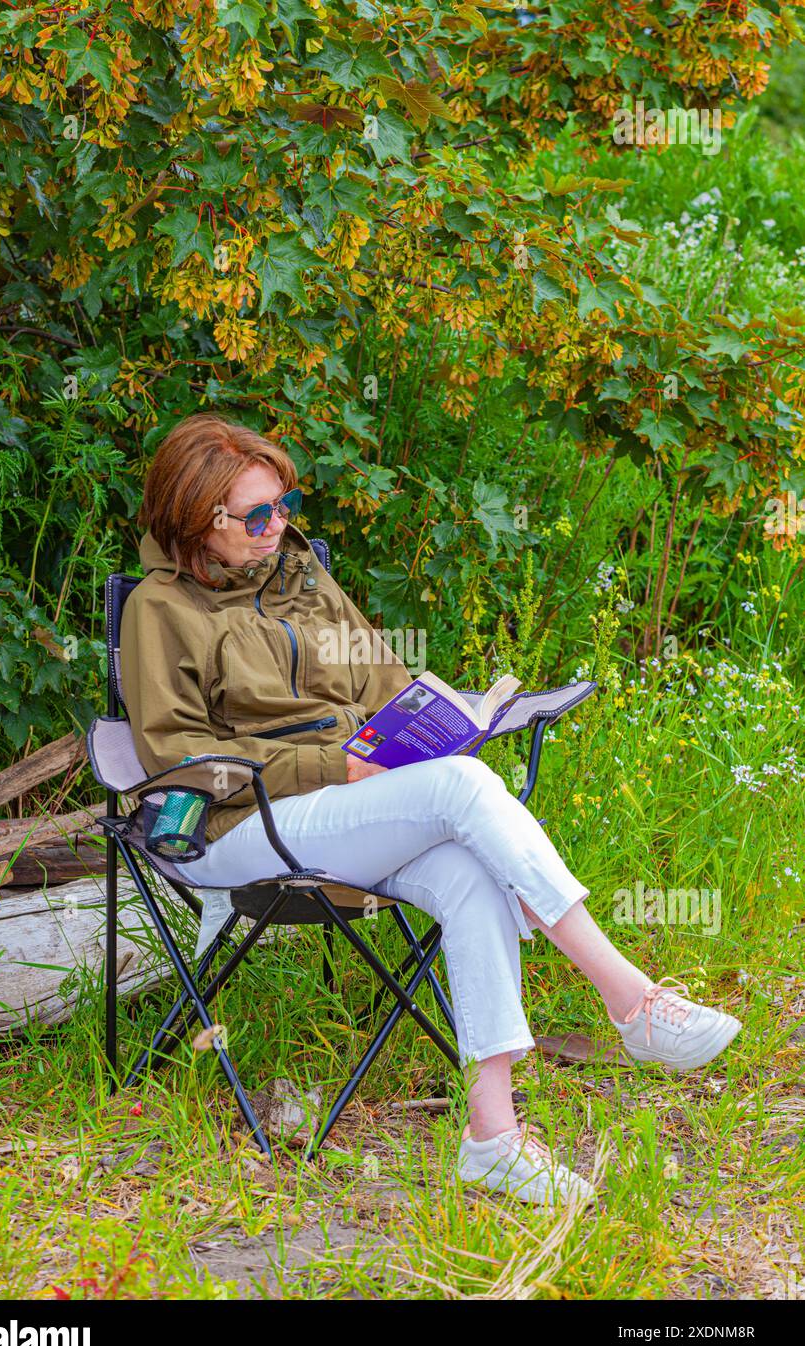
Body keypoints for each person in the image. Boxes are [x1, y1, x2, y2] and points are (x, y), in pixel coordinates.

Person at [120, 413, 742, 1206]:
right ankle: (631, 999)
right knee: (461, 790)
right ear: (194, 518)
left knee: (463, 872)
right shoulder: (159, 609)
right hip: (240, 827)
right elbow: (173, 755)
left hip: (347, 804)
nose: (278, 526)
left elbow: (381, 680)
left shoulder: (302, 576)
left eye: (283, 504)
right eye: (256, 515)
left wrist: (440, 719)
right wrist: (329, 764)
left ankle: (493, 1135)